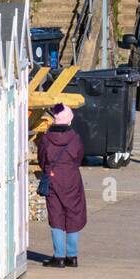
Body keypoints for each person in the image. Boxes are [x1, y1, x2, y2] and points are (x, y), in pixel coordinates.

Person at [37, 103, 86, 267]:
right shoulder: (75, 138)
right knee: (73, 213)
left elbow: (42, 159)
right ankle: (72, 256)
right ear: (70, 120)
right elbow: (79, 158)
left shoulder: (45, 138)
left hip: (53, 179)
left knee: (56, 215)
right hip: (71, 179)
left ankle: (58, 257)